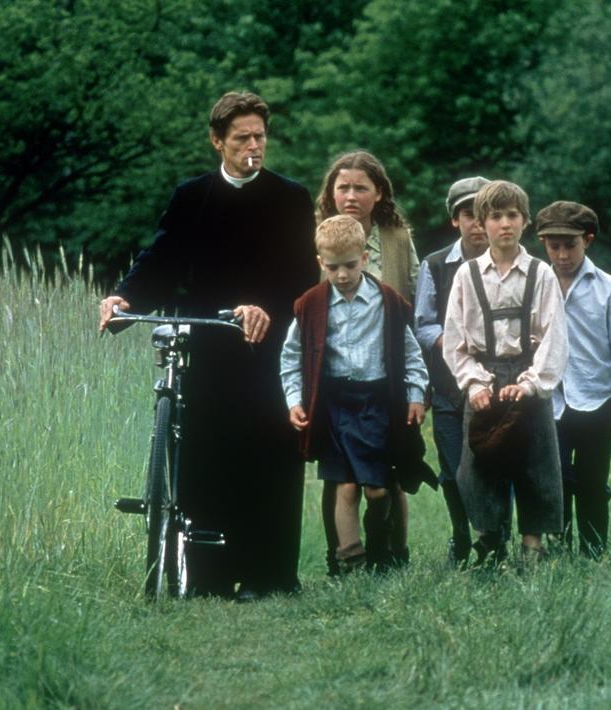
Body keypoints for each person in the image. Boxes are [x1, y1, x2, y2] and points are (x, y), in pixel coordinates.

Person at [98, 91, 318, 602]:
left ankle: (269, 575)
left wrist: (266, 307)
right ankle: (207, 575)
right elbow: (162, 258)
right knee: (203, 452)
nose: (253, 146)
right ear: (217, 141)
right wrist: (125, 297)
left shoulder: (290, 197)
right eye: (242, 138)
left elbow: (303, 278)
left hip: (268, 347)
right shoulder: (191, 196)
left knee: (268, 455)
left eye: (260, 137)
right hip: (208, 343)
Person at [279, 215, 430, 572]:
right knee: (345, 486)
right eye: (333, 267)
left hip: (378, 404)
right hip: (334, 405)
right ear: (321, 263)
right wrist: (294, 401)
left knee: (379, 490)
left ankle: (382, 547)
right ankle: (350, 559)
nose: (342, 275)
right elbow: (291, 357)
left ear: (364, 257)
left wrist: (415, 394)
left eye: (349, 265)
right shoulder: (311, 304)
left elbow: (410, 353)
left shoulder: (387, 301)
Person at [442, 180, 568, 566]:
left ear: (525, 221)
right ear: (482, 223)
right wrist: (474, 384)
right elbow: (455, 340)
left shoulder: (541, 274)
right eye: (496, 216)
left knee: (536, 461)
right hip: (485, 378)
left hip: (529, 378)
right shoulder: (467, 276)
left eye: (513, 215)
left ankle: (534, 546)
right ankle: (490, 542)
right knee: (480, 464)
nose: (505, 224)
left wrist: (532, 384)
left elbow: (554, 337)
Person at [313, 150, 420, 574]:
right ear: (331, 192)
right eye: (343, 187)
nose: (351, 196)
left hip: (387, 372)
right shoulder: (320, 237)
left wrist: (415, 378)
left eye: (361, 187)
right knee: (339, 475)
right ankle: (341, 555)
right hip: (336, 374)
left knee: (390, 468)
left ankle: (392, 553)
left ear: (378, 193)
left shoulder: (396, 237)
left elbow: (414, 291)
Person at [536, 201, 611, 558]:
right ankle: (557, 551)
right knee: (553, 480)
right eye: (554, 246)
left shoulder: (607, 287)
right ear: (543, 244)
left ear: (588, 240)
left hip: (597, 398)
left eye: (570, 245)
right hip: (549, 401)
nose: (562, 255)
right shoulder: (536, 284)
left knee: (593, 482)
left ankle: (594, 553)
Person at [414, 176, 490, 565]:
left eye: (484, 213)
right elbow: (423, 324)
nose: (478, 223)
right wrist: (454, 344)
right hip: (448, 385)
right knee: (452, 467)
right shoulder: (435, 265)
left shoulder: (510, 262)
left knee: (493, 464)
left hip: (496, 384)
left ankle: (492, 540)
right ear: (455, 220)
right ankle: (460, 535)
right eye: (468, 214)